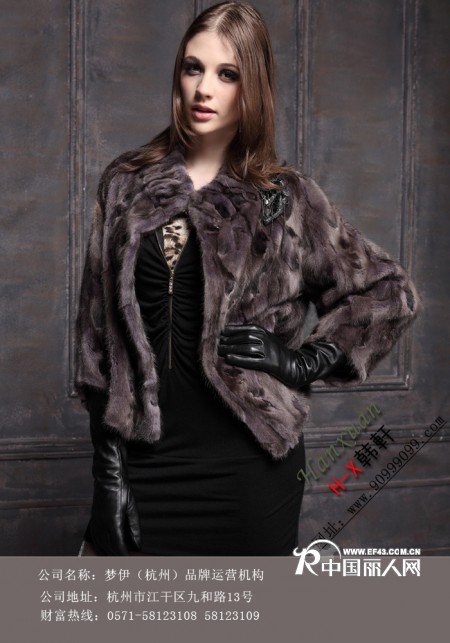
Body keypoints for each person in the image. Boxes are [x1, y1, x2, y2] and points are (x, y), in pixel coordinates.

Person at [75, 1, 420, 556]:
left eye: (226, 74)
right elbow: (97, 345)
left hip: (248, 476)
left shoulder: (287, 198)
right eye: (193, 68)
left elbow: (390, 292)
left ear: (251, 87)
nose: (203, 88)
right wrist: (108, 478)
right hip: (144, 469)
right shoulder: (126, 184)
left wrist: (303, 361)